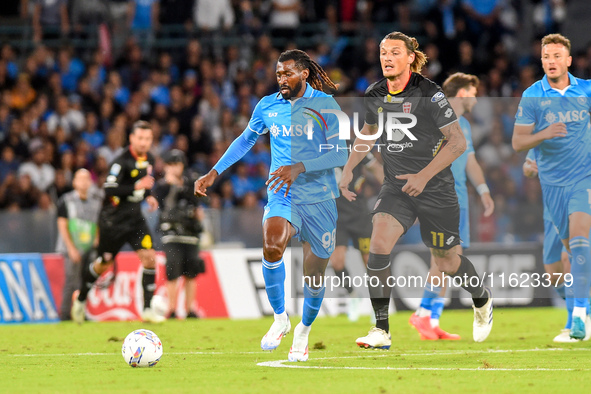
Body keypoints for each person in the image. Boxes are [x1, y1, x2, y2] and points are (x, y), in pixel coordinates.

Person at [340, 31, 493, 350]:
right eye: (383, 52)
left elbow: (457, 142)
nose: (387, 57)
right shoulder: (374, 93)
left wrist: (423, 176)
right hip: (396, 188)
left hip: (435, 190)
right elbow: (367, 134)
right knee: (379, 244)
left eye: (395, 52)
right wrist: (348, 169)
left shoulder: (430, 93)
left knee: (448, 262)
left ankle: (482, 299)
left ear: (411, 57)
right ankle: (381, 329)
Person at [195, 49, 346, 362]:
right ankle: (280, 319)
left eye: (288, 73)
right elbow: (245, 140)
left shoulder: (325, 105)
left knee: (314, 274)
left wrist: (299, 167)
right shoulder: (268, 105)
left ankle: (303, 331)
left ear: (304, 74)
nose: (282, 79)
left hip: (319, 197)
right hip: (283, 194)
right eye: (278, 74)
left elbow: (340, 155)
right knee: (272, 246)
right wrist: (215, 172)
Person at [512, 33, 591, 340]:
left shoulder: (585, 90)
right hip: (552, 186)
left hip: (583, 179)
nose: (551, 62)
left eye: (557, 56)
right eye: (546, 57)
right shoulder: (533, 95)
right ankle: (577, 312)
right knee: (560, 261)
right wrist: (542, 136)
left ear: (568, 60)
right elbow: (519, 142)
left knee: (581, 242)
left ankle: (580, 319)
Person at [409, 72, 495, 340]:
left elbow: (469, 161)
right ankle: (423, 314)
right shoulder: (434, 118)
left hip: (460, 198)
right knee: (445, 257)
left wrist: (483, 190)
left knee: (450, 258)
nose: (476, 98)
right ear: (462, 93)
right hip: (439, 197)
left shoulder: (465, 125)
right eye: (473, 92)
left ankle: (431, 321)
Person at [71, 120, 163, 323]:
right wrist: (137, 186)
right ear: (131, 138)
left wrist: (148, 195)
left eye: (148, 139)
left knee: (149, 257)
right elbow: (109, 189)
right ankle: (81, 299)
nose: (144, 142)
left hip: (135, 220)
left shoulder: (150, 159)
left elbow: (143, 184)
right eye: (140, 138)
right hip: (113, 222)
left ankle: (147, 309)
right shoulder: (120, 161)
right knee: (105, 263)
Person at [523, 151, 590, 342]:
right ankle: (586, 309)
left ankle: (574, 322)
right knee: (553, 274)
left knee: (568, 258)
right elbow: (527, 166)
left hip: (580, 204)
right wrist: (530, 168)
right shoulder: (547, 132)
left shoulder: (582, 132)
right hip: (552, 211)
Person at [331, 151, 383, 322]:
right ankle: (353, 295)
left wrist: (391, 192)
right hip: (336, 216)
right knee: (336, 262)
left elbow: (375, 168)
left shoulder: (356, 147)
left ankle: (377, 306)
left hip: (359, 213)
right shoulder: (320, 147)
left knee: (369, 262)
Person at [153, 149, 205, 319]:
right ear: (166, 166)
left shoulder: (191, 183)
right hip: (171, 233)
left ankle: (190, 310)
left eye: (178, 164)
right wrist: (171, 186)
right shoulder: (162, 186)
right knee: (172, 271)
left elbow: (198, 202)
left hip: (190, 233)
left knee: (191, 273)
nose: (175, 168)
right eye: (172, 164)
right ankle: (172, 309)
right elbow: (160, 204)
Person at [55, 169, 102, 320]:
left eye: (87, 178)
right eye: (80, 179)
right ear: (74, 182)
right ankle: (65, 314)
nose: (83, 182)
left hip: (89, 247)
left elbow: (97, 223)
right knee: (71, 280)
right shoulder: (66, 200)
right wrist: (70, 248)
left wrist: (97, 241)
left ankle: (81, 312)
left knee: (86, 281)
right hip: (72, 247)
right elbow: (62, 224)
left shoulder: (96, 201)